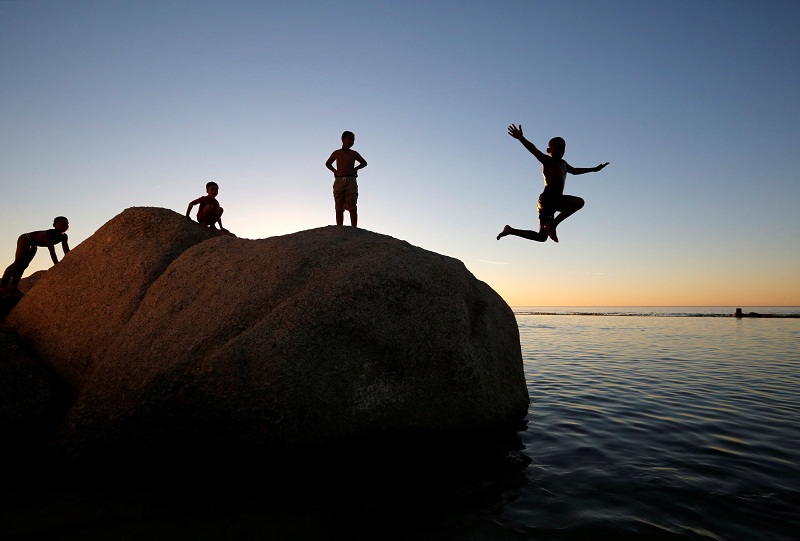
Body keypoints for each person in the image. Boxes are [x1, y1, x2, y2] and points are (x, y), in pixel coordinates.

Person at [496, 124, 609, 243]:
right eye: (556, 148)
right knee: (578, 202)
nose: (560, 151)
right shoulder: (547, 161)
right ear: (549, 150)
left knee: (542, 237)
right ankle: (553, 225)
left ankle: (510, 230)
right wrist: (521, 138)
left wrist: (594, 169)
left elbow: (575, 171)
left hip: (553, 201)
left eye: (562, 148)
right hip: (548, 198)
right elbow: (534, 150)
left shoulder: (564, 163)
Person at [0, 216, 70, 293]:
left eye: (66, 224)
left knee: (24, 265)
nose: (64, 225)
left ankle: (14, 286)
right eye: (61, 223)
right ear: (54, 225)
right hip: (25, 239)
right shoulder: (48, 234)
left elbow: (66, 251)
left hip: (34, 245)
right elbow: (51, 250)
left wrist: (70, 260)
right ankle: (2, 285)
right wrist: (56, 264)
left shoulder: (64, 237)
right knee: (18, 262)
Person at [326, 130, 367, 227]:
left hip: (351, 180)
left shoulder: (353, 153)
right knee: (339, 204)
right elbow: (328, 163)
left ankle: (354, 228)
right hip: (339, 180)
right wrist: (335, 171)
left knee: (352, 203)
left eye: (353, 140)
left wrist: (356, 168)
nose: (352, 141)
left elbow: (364, 162)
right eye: (350, 139)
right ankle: (339, 227)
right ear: (343, 139)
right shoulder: (336, 153)